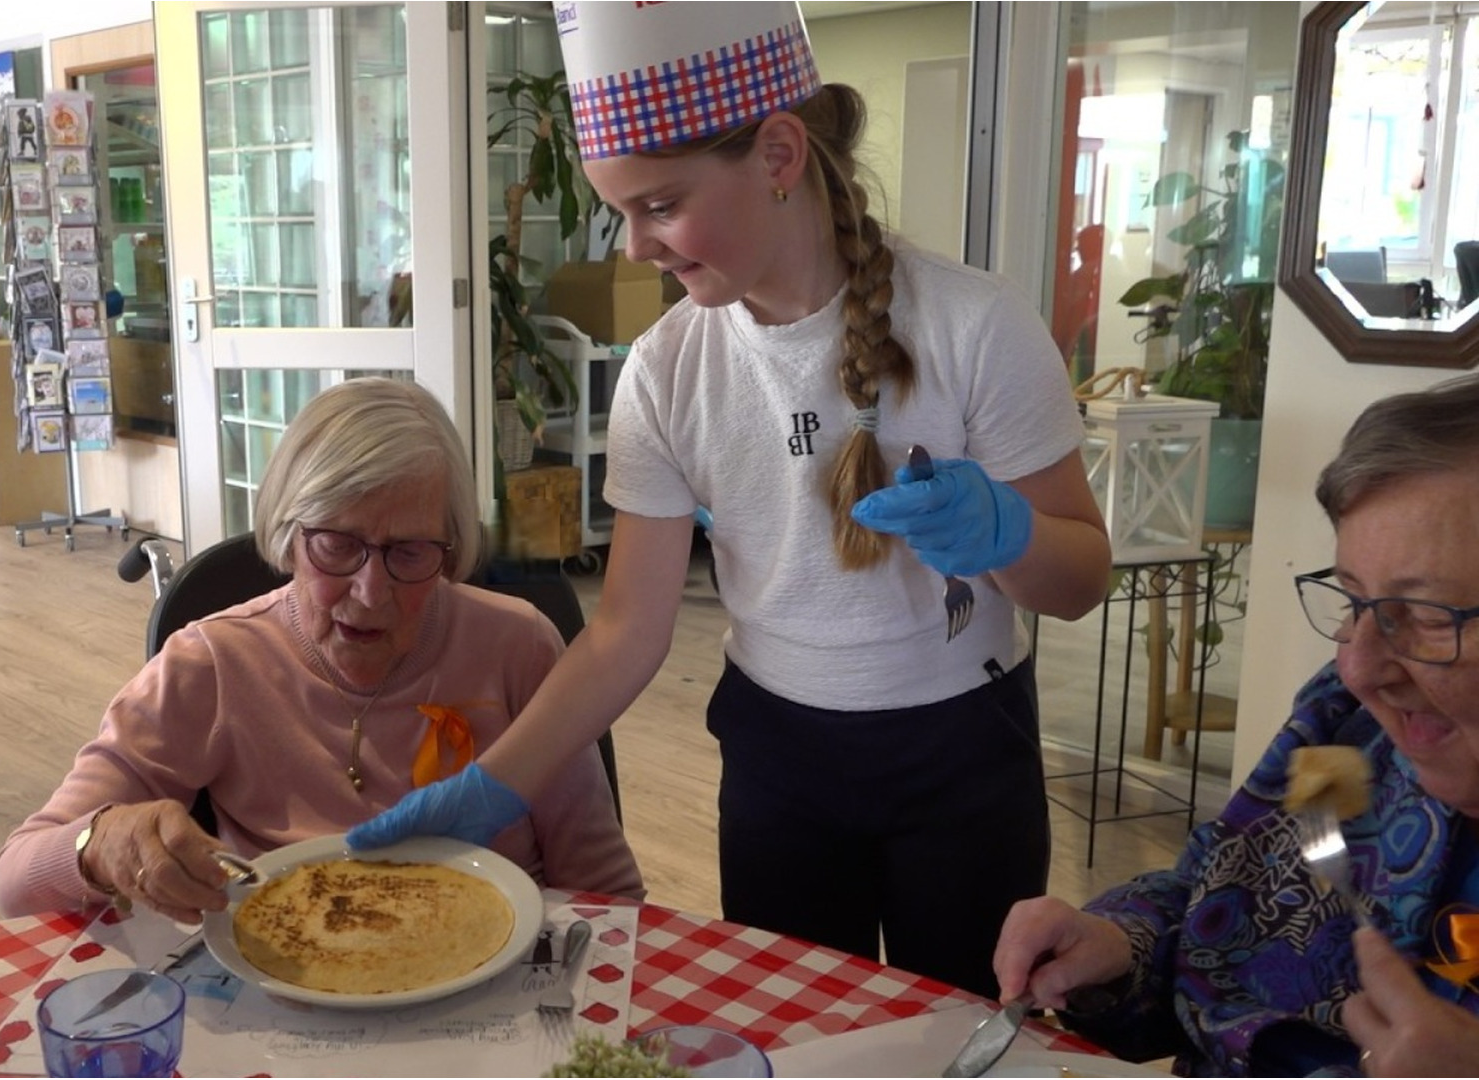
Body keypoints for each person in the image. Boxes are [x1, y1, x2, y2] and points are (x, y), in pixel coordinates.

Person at [351, 2, 1109, 999]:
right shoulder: (668, 375)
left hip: (965, 762)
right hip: (780, 767)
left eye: (660, 206)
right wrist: (497, 782)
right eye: (620, 211)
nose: (634, 249)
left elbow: (1079, 580)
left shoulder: (975, 327)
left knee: (964, 1031)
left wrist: (1005, 531)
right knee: (795, 1036)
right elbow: (626, 631)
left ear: (780, 155)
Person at [0, 377, 642, 921]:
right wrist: (98, 840)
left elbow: (603, 886)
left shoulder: (517, 645)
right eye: (336, 544)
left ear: (450, 550)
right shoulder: (212, 665)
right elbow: (17, 881)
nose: (368, 593)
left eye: (409, 552)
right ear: (287, 530)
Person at [991, 372, 1479, 1077]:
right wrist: (1118, 943)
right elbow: (1222, 896)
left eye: (1428, 617)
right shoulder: (1345, 732)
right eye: (1353, 601)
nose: (1359, 668)